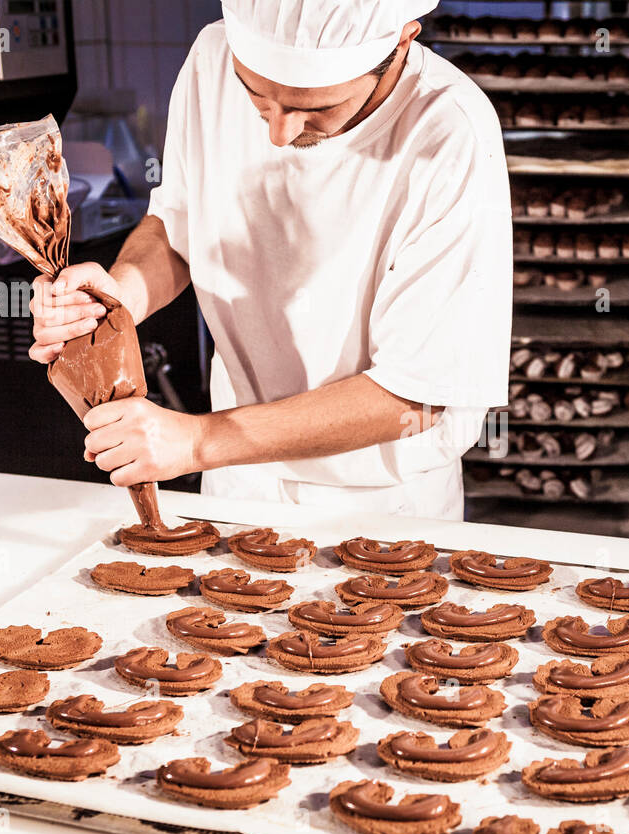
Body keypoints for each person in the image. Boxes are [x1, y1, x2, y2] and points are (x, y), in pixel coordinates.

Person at [28, 0, 511, 519]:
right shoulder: (213, 57)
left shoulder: (449, 132)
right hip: (239, 476)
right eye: (256, 97)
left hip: (380, 498)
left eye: (317, 109)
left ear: (401, 43)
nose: (278, 134)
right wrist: (114, 298)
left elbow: (417, 394)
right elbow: (179, 226)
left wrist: (194, 442)